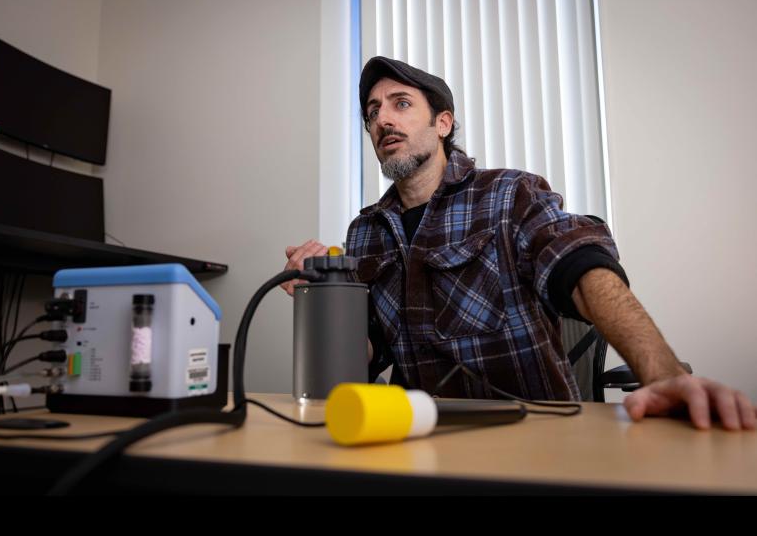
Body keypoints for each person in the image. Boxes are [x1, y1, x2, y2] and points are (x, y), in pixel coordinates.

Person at [283, 56, 756, 431]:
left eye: (400, 103)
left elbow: (582, 267)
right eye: (372, 112)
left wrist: (666, 377)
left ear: (443, 123)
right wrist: (322, 298)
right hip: (415, 435)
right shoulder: (364, 231)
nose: (382, 118)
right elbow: (369, 357)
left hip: (532, 432)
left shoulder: (509, 195)